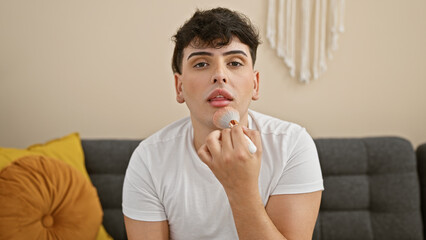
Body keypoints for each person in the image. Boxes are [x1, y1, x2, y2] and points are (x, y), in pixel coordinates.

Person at [122, 7, 323, 240]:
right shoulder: (148, 159)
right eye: (200, 64)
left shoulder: (292, 145)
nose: (219, 75)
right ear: (179, 88)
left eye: (235, 63)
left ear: (255, 84)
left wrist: (241, 189)